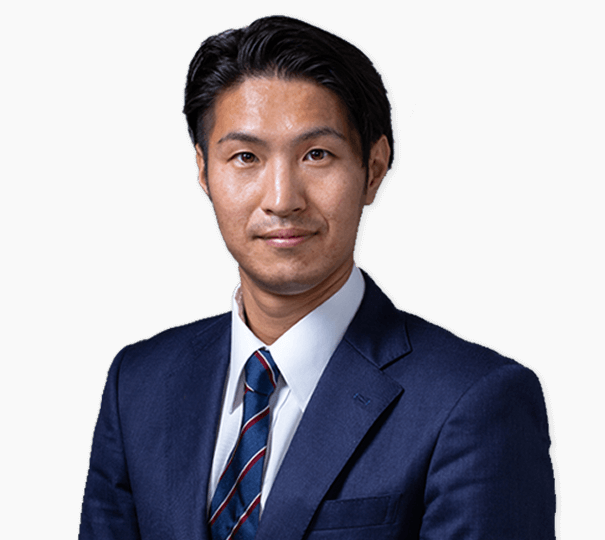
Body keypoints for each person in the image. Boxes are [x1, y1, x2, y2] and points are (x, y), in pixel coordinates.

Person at [79, 15, 555, 540]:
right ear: (203, 169)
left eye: (317, 155)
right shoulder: (140, 384)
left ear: (374, 168)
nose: (282, 199)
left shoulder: (475, 401)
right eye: (245, 157)